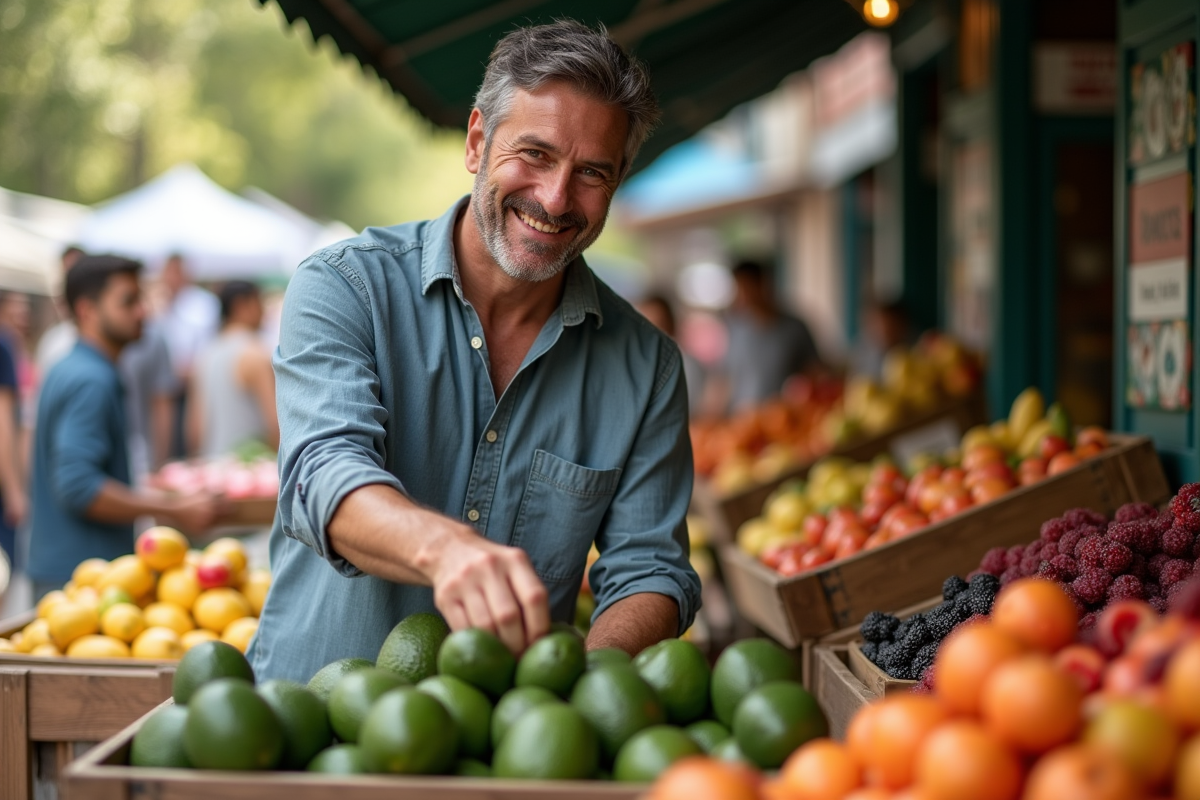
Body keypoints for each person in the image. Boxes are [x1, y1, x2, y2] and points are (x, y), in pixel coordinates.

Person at [251, 20, 700, 683]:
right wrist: (445, 548)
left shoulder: (647, 367)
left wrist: (580, 685)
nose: (554, 198)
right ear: (476, 142)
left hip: (504, 749)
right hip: (302, 732)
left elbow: (651, 569)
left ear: (618, 181)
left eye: (591, 173)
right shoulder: (344, 287)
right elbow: (322, 474)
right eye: (536, 154)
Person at [27, 256, 222, 599]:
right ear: (87, 311)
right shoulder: (91, 380)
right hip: (80, 581)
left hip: (69, 571)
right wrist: (172, 508)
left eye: (141, 299)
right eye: (128, 301)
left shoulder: (73, 368)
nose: (143, 312)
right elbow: (79, 486)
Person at [717, 260, 823, 412]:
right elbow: (725, 378)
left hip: (785, 420)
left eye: (747, 287)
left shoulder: (795, 328)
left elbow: (814, 372)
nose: (742, 294)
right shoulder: (735, 329)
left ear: (763, 284)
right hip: (743, 421)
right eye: (738, 287)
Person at [189, 280, 279, 457]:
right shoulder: (255, 353)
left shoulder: (206, 354)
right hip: (250, 471)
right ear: (241, 306)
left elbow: (195, 429)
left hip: (213, 466)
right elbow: (276, 423)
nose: (263, 313)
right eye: (258, 304)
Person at [157, 254, 219, 457]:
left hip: (193, 385)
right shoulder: (165, 305)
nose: (170, 278)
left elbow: (206, 348)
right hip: (169, 387)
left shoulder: (202, 304)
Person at [634, 293, 706, 415]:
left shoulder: (685, 363)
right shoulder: (639, 362)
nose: (651, 333)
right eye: (645, 325)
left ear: (670, 324)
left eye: (657, 324)